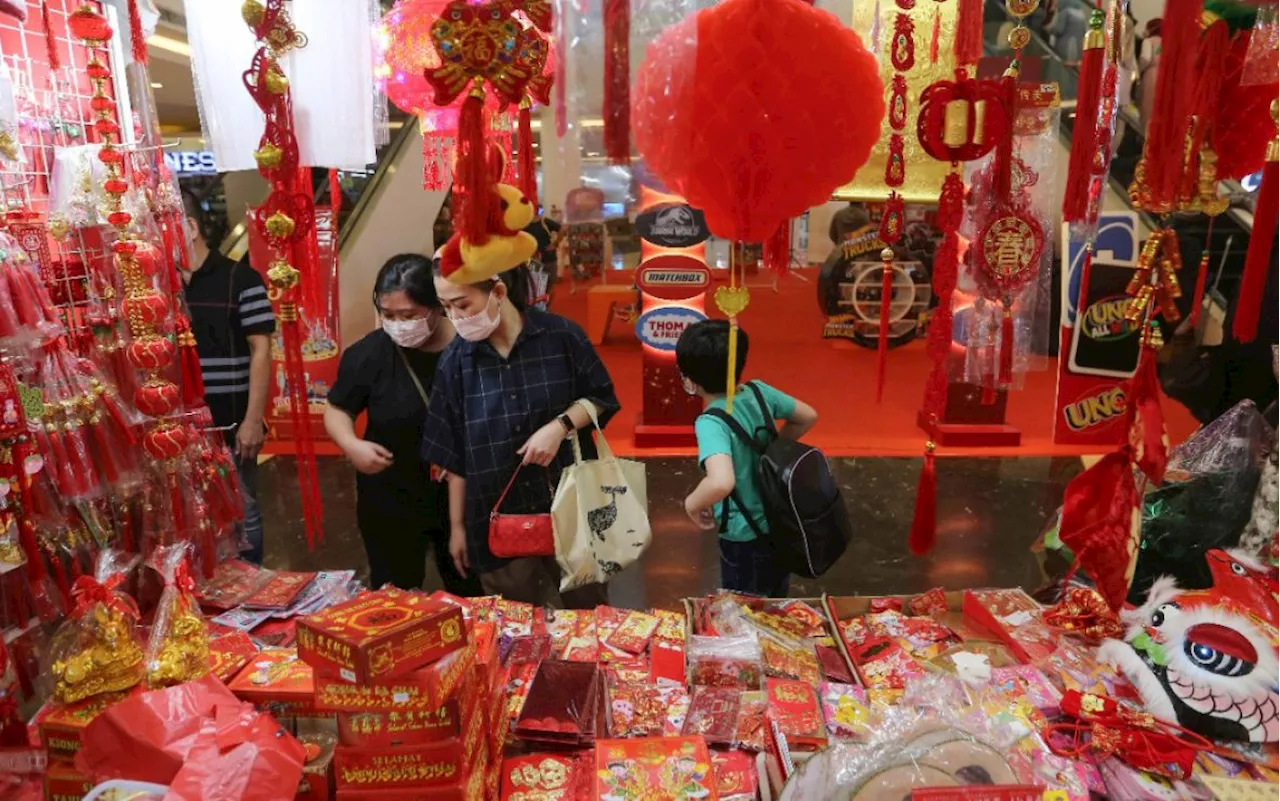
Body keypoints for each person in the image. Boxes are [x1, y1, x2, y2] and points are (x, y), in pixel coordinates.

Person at [420, 263, 621, 608]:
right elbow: (453, 455)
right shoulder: (456, 362)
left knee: (589, 614)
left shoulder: (562, 337)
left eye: (463, 304)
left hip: (572, 508)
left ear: (498, 292)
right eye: (446, 306)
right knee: (515, 622)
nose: (455, 317)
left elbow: (601, 398)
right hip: (497, 517)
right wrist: (457, 527)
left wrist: (560, 426)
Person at [324, 253, 481, 594]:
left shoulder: (472, 349)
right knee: (394, 596)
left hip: (466, 496)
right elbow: (337, 409)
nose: (397, 324)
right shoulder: (369, 354)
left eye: (409, 315)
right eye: (388, 315)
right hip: (391, 497)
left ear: (438, 306)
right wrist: (352, 445)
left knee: (470, 595)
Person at [677, 320, 818, 597]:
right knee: (775, 602)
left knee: (743, 609)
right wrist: (776, 448)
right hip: (779, 523)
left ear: (690, 381)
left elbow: (721, 482)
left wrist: (692, 504)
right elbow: (808, 416)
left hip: (743, 534)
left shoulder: (711, 422)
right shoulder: (759, 391)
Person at [181, 190, 272, 564]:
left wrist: (253, 421)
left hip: (230, 422)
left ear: (188, 227)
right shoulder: (159, 288)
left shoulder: (241, 278)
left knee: (241, 507)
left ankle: (253, 588)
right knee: (191, 513)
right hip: (179, 428)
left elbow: (261, 350)